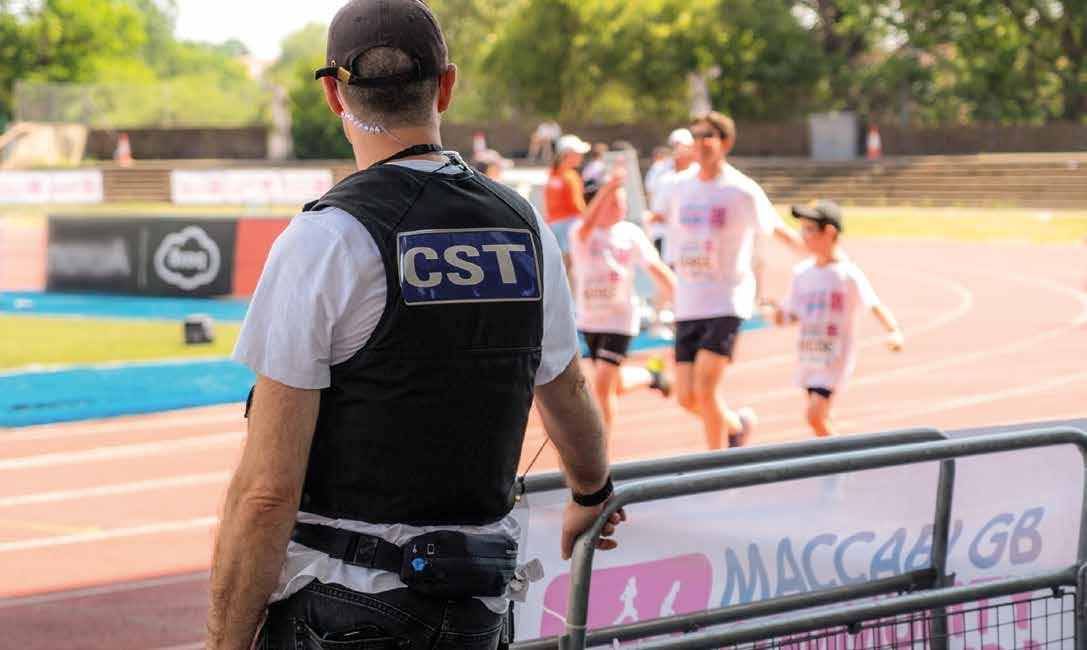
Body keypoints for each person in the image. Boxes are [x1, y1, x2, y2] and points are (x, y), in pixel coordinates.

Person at [206, 2, 625, 648]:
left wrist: (224, 640)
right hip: (477, 608)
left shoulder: (325, 238)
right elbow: (565, 388)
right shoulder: (523, 225)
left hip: (342, 609)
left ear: (333, 94)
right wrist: (592, 493)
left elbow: (265, 493)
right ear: (446, 87)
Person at [665, 112, 806, 450]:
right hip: (688, 301)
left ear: (725, 142)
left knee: (706, 389)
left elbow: (775, 227)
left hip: (726, 299)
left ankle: (716, 466)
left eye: (708, 136)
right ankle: (736, 426)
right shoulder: (679, 186)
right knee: (686, 397)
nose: (700, 142)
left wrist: (816, 256)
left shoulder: (741, 189)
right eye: (696, 135)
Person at [773, 200, 904, 437]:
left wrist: (892, 330)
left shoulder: (847, 274)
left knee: (814, 416)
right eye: (802, 229)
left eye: (810, 230)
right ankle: (837, 453)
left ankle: (841, 457)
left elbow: (873, 304)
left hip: (833, 357)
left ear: (829, 232)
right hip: (809, 354)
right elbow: (790, 313)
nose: (803, 236)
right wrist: (779, 315)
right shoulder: (802, 273)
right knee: (821, 420)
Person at [569, 166, 676, 437]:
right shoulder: (581, 232)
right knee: (614, 385)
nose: (623, 208)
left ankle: (602, 452)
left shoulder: (630, 233)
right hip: (591, 319)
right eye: (615, 202)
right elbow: (586, 225)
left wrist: (681, 297)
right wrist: (608, 187)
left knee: (603, 386)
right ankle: (651, 376)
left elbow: (656, 268)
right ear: (599, 204)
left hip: (620, 319)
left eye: (623, 202)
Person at [544, 133, 592, 279]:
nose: (581, 156)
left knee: (560, 267)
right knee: (570, 265)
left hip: (553, 224)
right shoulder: (570, 176)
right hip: (569, 225)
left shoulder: (553, 173)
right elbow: (577, 205)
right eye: (578, 153)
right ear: (568, 155)